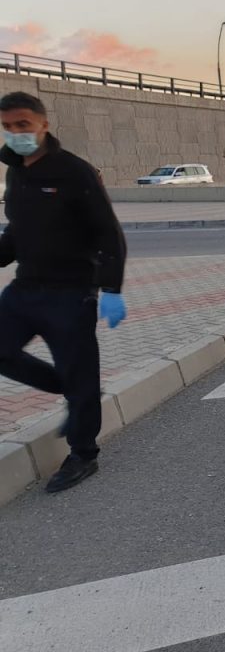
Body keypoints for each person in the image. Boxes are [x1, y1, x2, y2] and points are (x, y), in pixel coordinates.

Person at [0, 91, 127, 493]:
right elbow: (17, 232)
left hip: (72, 292)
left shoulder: (74, 171)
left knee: (80, 369)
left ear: (43, 124)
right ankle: (67, 389)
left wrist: (110, 288)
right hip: (25, 287)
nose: (16, 133)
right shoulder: (15, 172)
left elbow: (108, 232)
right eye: (7, 126)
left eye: (23, 124)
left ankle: (83, 455)